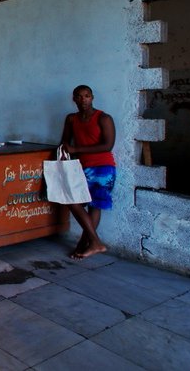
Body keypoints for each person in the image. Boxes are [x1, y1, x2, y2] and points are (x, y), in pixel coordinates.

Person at [60, 84, 116, 259]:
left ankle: (86, 243)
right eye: (79, 96)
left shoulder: (104, 118)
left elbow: (108, 145)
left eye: (87, 96)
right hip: (80, 167)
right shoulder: (71, 119)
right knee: (73, 201)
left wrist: (77, 150)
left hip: (103, 168)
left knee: (95, 205)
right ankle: (94, 243)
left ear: (92, 98)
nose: (83, 99)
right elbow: (64, 142)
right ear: (74, 99)